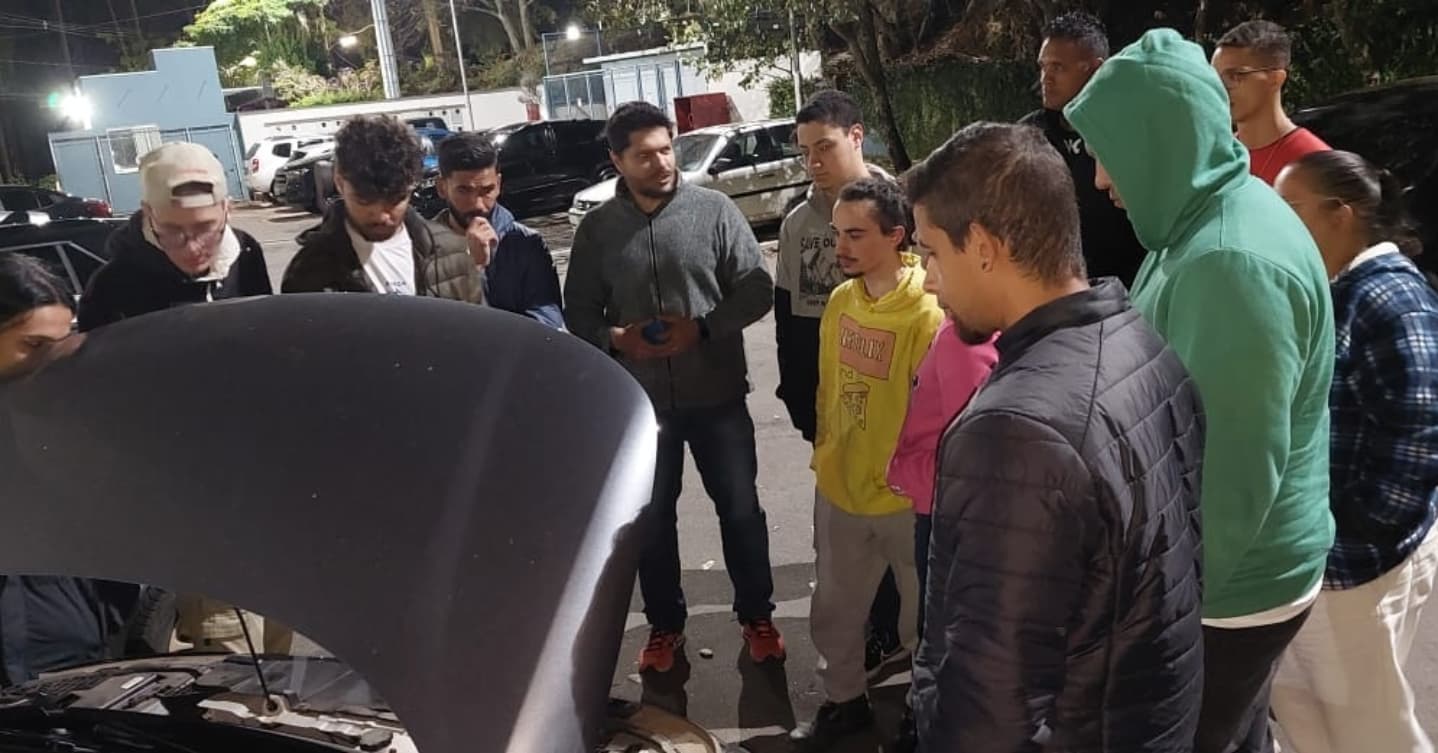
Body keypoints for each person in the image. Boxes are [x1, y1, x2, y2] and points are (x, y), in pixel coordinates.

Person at [1066, 29, 1336, 753]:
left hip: (1226, 593)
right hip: (1223, 581)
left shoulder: (1229, 262)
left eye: (1107, 153)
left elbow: (1234, 479)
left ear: (1161, 140)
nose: (1100, 179)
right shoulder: (1199, 219)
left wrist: (1153, 616)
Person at [904, 121, 1204, 752]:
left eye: (930, 253)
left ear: (982, 246)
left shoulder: (1014, 434)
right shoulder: (1139, 341)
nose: (928, 280)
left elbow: (989, 715)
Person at [563, 102, 782, 674]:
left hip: (717, 397)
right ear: (617, 161)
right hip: (639, 409)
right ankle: (665, 626)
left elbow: (757, 289)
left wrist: (703, 327)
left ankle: (757, 615)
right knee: (653, 520)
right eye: (644, 155)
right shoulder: (598, 230)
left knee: (740, 510)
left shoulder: (714, 210)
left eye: (666, 150)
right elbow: (577, 311)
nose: (661, 163)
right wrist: (616, 339)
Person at [1269, 150, 1438, 753]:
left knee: (1372, 731)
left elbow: (1421, 431)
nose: (1279, 225)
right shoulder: (1343, 290)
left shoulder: (1389, 298)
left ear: (1340, 215)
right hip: (1335, 558)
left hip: (1362, 566)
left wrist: (1354, 532)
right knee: (1312, 718)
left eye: (1292, 209)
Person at [790, 178, 941, 749]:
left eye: (855, 235)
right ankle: (845, 701)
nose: (841, 247)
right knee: (835, 609)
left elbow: (934, 413)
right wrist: (827, 451)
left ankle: (922, 713)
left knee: (921, 616)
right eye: (838, 234)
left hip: (905, 498)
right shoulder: (840, 301)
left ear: (896, 236)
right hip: (841, 487)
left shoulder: (926, 313)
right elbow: (828, 388)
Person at [774, 90, 907, 679]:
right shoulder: (797, 223)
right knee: (846, 539)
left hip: (895, 415)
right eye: (804, 151)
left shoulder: (900, 206)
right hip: (833, 409)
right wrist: (800, 400)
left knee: (900, 536)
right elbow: (789, 320)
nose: (814, 162)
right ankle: (864, 647)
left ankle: (899, 639)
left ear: (856, 136)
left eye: (824, 147)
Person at [0, 255, 119, 686]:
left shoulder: (61, 413)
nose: (53, 361)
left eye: (64, 343)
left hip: (72, 654)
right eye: (34, 345)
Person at [281, 115, 484, 302]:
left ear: (412, 184)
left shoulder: (452, 251)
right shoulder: (307, 272)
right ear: (339, 182)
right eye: (365, 201)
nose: (382, 216)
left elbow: (474, 327)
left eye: (395, 200)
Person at [78, 142, 271, 331]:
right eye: (172, 230)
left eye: (205, 228)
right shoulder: (110, 287)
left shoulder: (246, 254)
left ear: (227, 210)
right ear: (148, 213)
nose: (192, 248)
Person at [1018, 11, 1147, 286]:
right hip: (1057, 290)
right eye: (1043, 66)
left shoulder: (1129, 131)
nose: (1046, 78)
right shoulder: (1028, 136)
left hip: (1131, 287)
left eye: (1058, 67)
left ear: (1096, 68)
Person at [430, 132, 564, 328]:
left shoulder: (525, 243)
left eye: (487, 191)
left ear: (499, 184)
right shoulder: (421, 249)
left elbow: (547, 321)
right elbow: (430, 325)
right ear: (442, 188)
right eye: (464, 191)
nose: (478, 205)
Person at [1212, 20, 1330, 185]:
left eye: (1235, 76)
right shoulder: (1213, 157)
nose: (1221, 88)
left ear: (1275, 79)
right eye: (1214, 78)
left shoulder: (1315, 164)